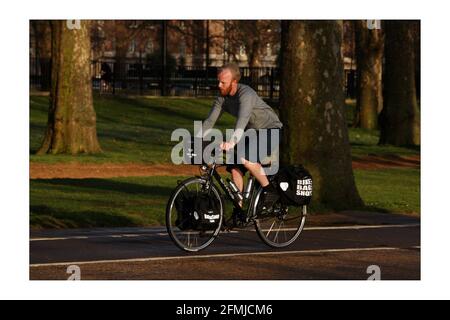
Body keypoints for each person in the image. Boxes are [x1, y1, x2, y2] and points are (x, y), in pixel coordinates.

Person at [198, 63, 283, 212]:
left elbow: (242, 119)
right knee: (235, 167)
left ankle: (269, 191)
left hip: (271, 129)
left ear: (234, 82)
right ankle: (239, 209)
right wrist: (196, 142)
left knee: (247, 160)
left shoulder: (246, 94)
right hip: (251, 131)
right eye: (218, 81)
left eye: (223, 82)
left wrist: (232, 142)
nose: (219, 85)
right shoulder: (222, 98)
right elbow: (210, 121)